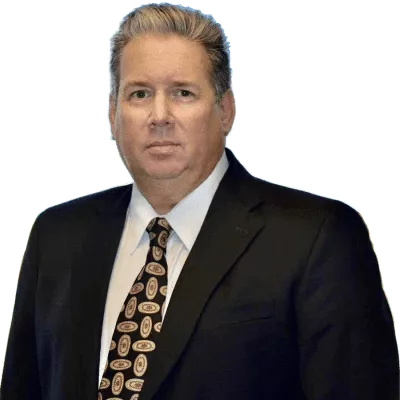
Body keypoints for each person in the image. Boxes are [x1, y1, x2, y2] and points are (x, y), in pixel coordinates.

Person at [1, 2, 399, 399]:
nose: (159, 115)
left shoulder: (316, 238)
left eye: (183, 93)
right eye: (139, 94)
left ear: (225, 110)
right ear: (113, 114)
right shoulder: (58, 237)